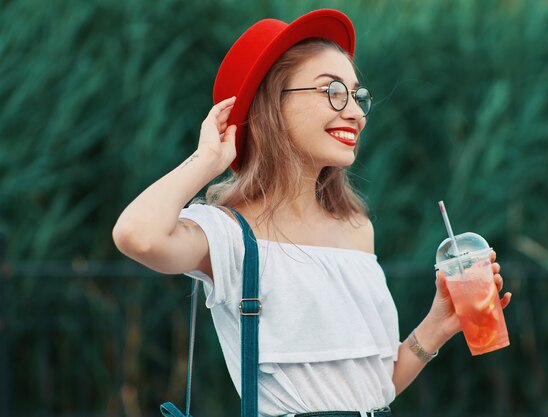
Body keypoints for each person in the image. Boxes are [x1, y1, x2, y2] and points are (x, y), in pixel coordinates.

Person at [112, 9, 511, 417]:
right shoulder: (230, 235)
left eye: (357, 96)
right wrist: (206, 159)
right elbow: (137, 236)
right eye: (333, 91)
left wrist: (437, 326)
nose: (355, 112)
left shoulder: (356, 229)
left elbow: (376, 388)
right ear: (272, 104)